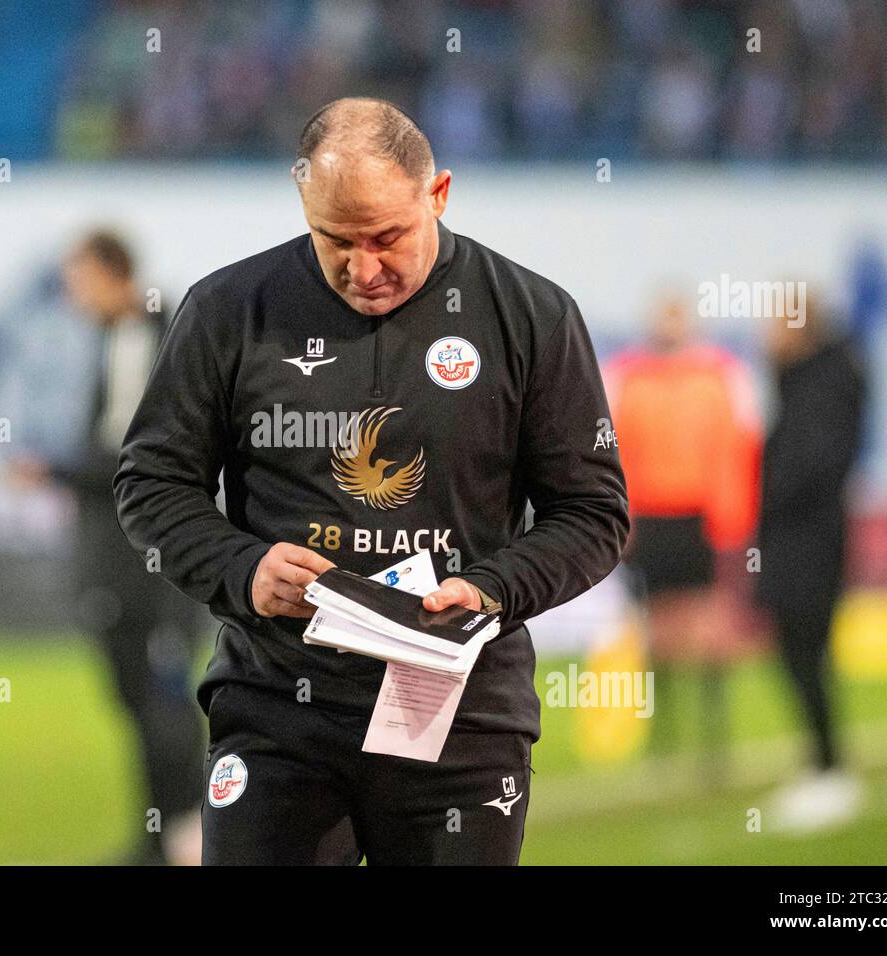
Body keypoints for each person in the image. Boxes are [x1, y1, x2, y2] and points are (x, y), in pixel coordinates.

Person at [114, 98, 628, 865]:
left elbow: (593, 513)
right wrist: (243, 567)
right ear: (302, 206)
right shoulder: (228, 311)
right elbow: (151, 481)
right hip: (278, 710)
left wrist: (490, 590)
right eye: (335, 241)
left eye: (387, 237)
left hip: (459, 720)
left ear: (439, 195)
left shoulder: (532, 317)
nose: (364, 268)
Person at [0, 231, 208, 865]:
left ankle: (186, 837)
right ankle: (159, 837)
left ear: (113, 273)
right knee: (137, 695)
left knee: (164, 698)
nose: (73, 293)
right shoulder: (123, 336)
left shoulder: (153, 334)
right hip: (121, 558)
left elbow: (141, 459)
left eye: (79, 277)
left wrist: (51, 471)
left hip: (152, 561)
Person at [602, 295, 762, 774]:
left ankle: (715, 740)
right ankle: (664, 737)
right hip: (648, 517)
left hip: (701, 517)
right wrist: (619, 518)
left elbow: (740, 449)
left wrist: (732, 522)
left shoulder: (723, 376)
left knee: (711, 630)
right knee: (656, 631)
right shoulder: (626, 377)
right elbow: (612, 449)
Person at [757, 294, 868, 833]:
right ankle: (823, 762)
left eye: (774, 324)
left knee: (805, 649)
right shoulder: (807, 382)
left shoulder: (820, 386)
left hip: (809, 544)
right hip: (804, 541)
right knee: (799, 650)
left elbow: (812, 464)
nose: (765, 335)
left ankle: (830, 768)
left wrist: (768, 492)